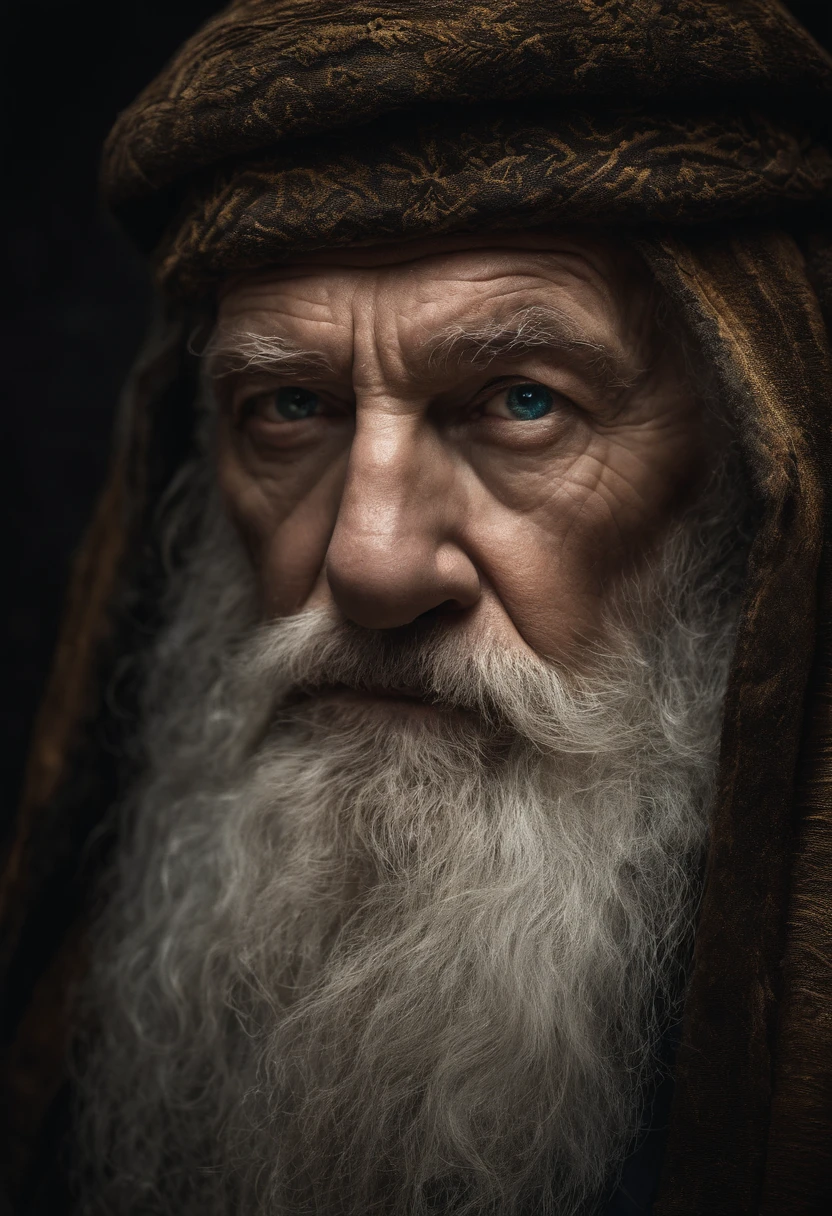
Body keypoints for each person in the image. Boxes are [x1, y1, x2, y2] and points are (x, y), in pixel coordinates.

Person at [2, 2, 832, 1214]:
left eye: (520, 402)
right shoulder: (70, 1031)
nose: (371, 565)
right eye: (289, 407)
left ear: (754, 461)